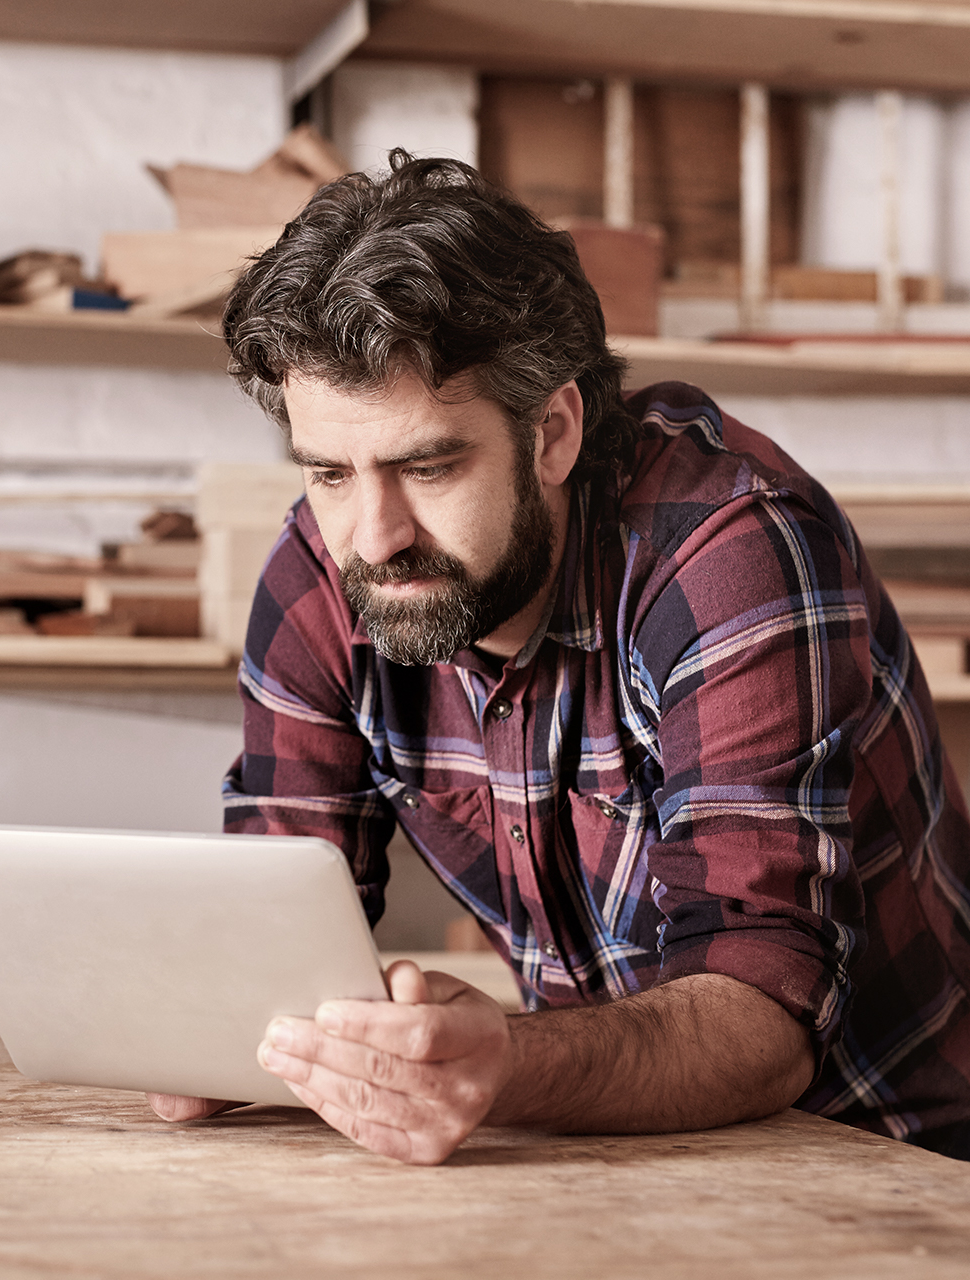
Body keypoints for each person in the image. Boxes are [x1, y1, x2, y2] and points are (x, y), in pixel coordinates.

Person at [147, 151, 970, 1166]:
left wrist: (504, 1065)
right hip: (608, 1151)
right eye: (328, 470)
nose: (372, 535)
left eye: (430, 464)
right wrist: (209, 1027)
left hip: (887, 1163)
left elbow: (764, 1016)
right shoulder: (324, 571)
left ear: (554, 432)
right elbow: (265, 932)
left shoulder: (728, 551)